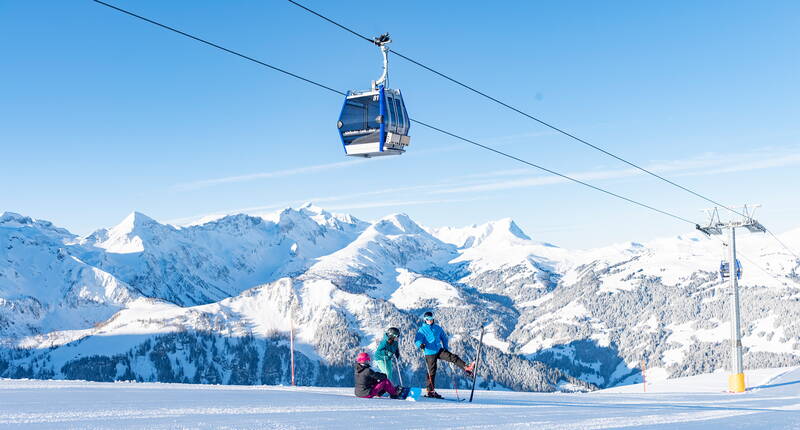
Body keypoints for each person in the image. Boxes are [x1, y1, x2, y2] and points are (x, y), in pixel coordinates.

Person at [414, 311, 474, 399]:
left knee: (453, 357)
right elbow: (417, 340)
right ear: (425, 320)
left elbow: (444, 338)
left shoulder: (437, 328)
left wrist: (445, 348)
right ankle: (430, 391)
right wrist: (420, 344)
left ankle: (466, 368)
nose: (430, 320)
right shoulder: (422, 330)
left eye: (431, 319)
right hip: (429, 352)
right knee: (432, 371)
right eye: (427, 319)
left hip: (439, 349)